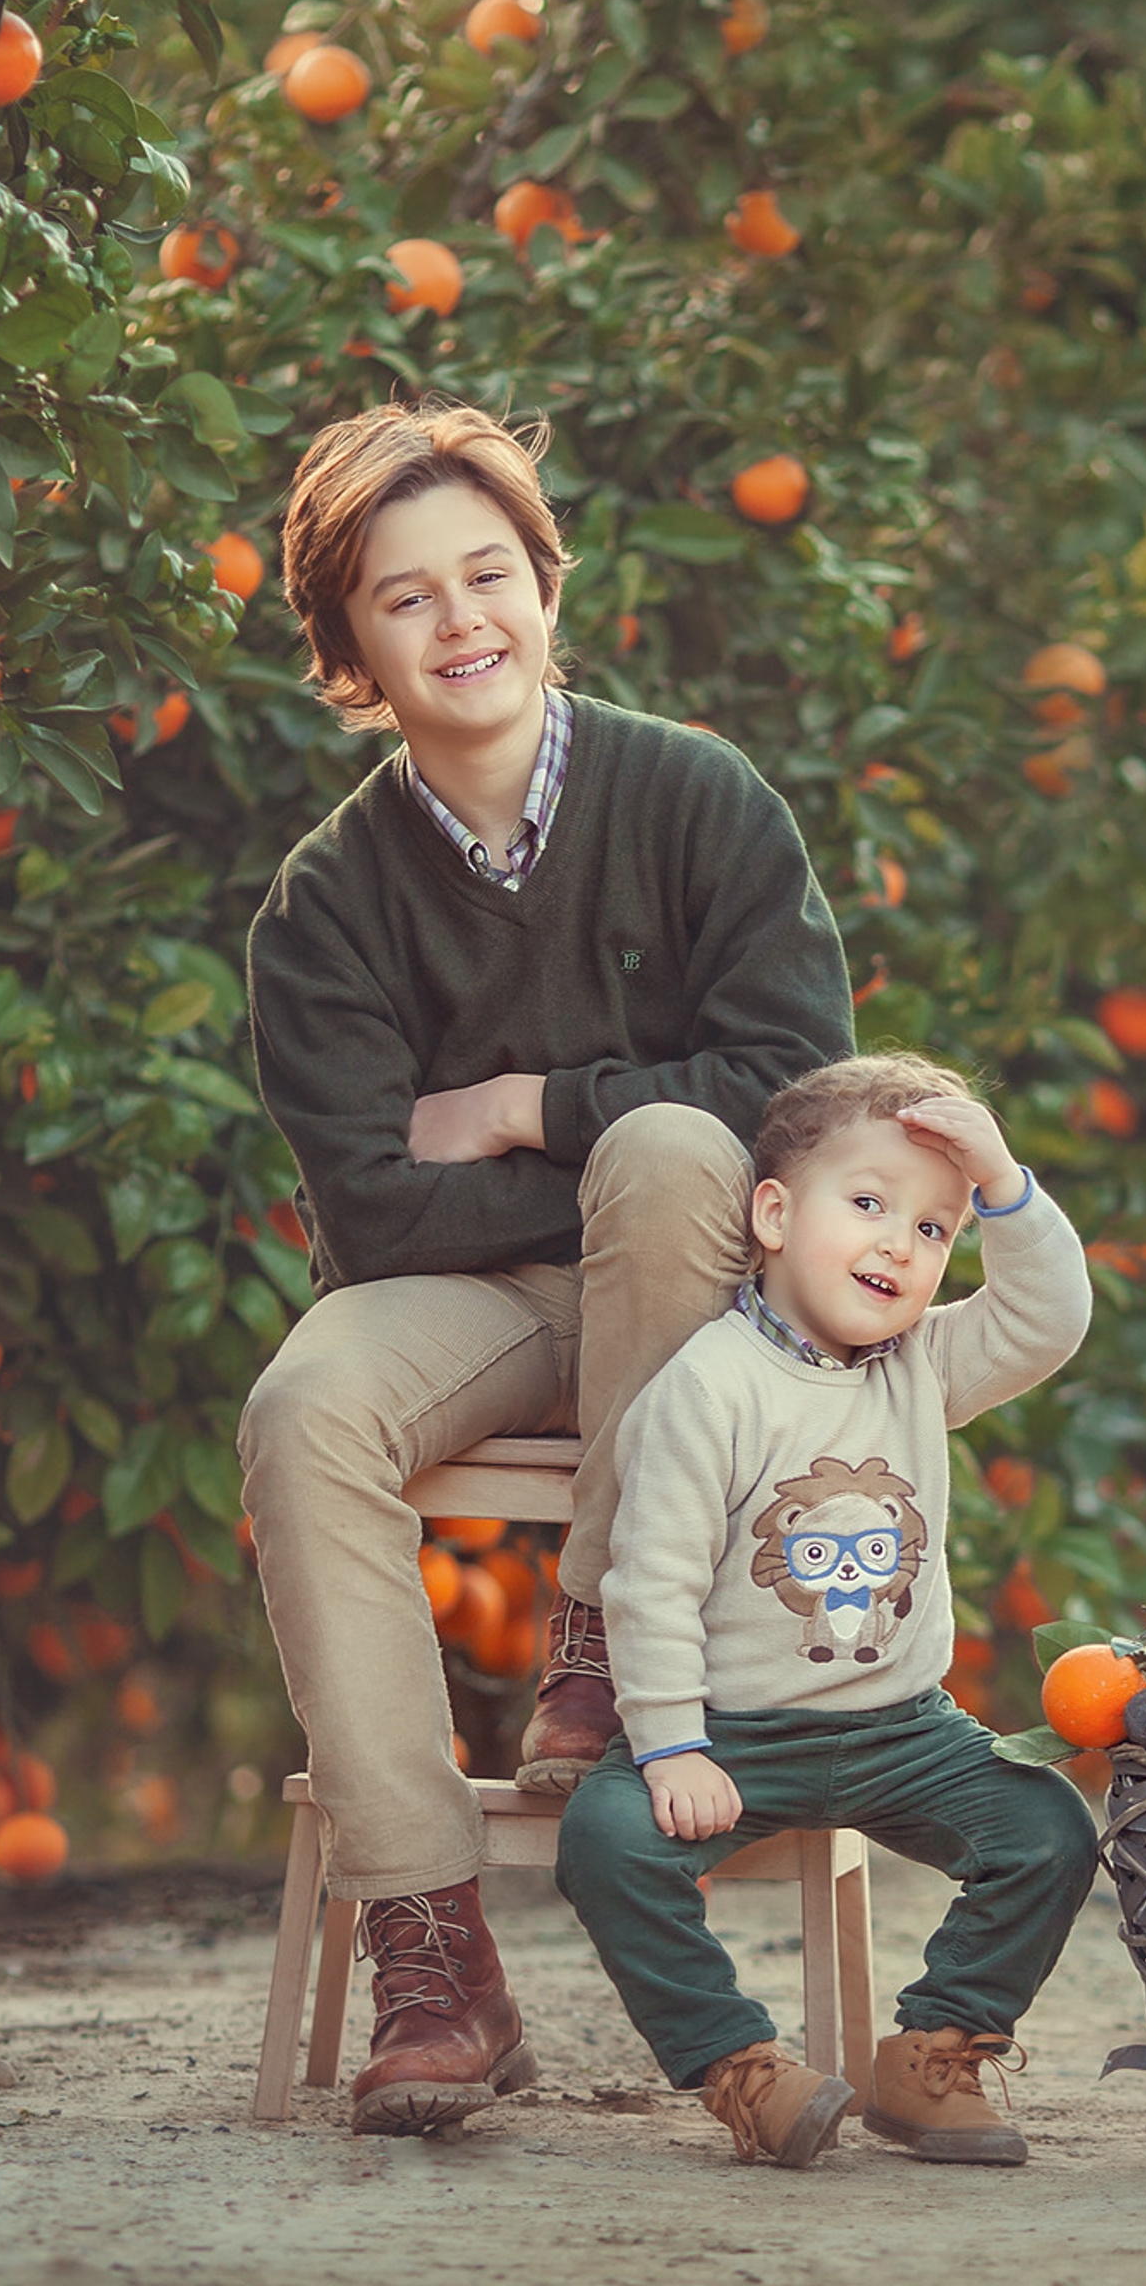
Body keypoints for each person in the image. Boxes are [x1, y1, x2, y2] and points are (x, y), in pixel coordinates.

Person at [236, 400, 852, 2134]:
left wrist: (521, 1106)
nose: (459, 625)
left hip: (709, 1297)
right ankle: (431, 1950)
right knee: (305, 1407)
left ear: (545, 580)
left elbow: (793, 1110)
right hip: (489, 1306)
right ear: (350, 644)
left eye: (486, 575)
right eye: (404, 600)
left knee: (673, 1160)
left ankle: (601, 1634)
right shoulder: (329, 902)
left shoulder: (697, 798)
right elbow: (364, 1213)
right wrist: (590, 1174)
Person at [553, 1051, 1097, 2169]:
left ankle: (936, 2050)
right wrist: (669, 1748)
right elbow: (646, 1580)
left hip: (903, 1728)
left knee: (1046, 1830)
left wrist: (1004, 1185)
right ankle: (737, 2065)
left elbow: (1048, 1320)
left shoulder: (921, 1365)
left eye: (934, 1229)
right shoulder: (709, 1387)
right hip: (739, 1734)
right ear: (772, 1212)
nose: (901, 1243)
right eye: (867, 1204)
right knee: (604, 1839)